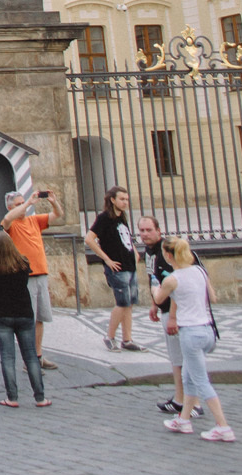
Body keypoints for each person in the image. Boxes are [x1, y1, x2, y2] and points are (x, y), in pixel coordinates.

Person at [152, 236, 233, 441]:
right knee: (188, 377)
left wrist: (155, 285)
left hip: (190, 334)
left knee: (201, 381)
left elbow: (159, 298)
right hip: (207, 331)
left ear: (168, 255)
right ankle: (183, 419)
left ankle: (223, 426)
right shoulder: (200, 271)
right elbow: (212, 297)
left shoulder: (172, 279)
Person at [140, 216, 203, 419]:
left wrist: (173, 317)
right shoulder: (150, 251)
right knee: (176, 359)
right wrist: (154, 304)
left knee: (184, 359)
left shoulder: (165, 253)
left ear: (159, 231)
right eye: (142, 230)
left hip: (178, 313)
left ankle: (194, 403)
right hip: (166, 308)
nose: (145, 234)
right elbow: (156, 280)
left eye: (149, 230)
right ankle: (179, 399)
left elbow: (175, 286)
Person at [0, 227, 48, 407]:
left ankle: (12, 397)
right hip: (24, 313)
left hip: (2, 315)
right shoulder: (23, 263)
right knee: (31, 356)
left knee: (7, 357)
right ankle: (40, 397)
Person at [1, 185, 60, 370]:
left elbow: (57, 215)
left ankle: (38, 355)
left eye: (23, 203)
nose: (23, 207)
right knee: (28, 319)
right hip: (24, 277)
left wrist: (54, 202)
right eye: (18, 205)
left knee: (40, 317)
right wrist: (27, 203)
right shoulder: (10, 224)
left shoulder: (34, 220)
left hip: (41, 274)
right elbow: (6, 220)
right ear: (10, 207)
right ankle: (29, 360)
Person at [85, 185, 141, 351]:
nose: (125, 202)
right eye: (122, 199)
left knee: (129, 304)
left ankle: (127, 339)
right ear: (113, 200)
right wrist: (107, 259)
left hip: (129, 264)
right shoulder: (104, 218)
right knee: (122, 303)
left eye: (127, 199)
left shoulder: (122, 217)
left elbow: (125, 237)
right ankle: (109, 336)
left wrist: (135, 252)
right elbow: (89, 239)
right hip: (117, 267)